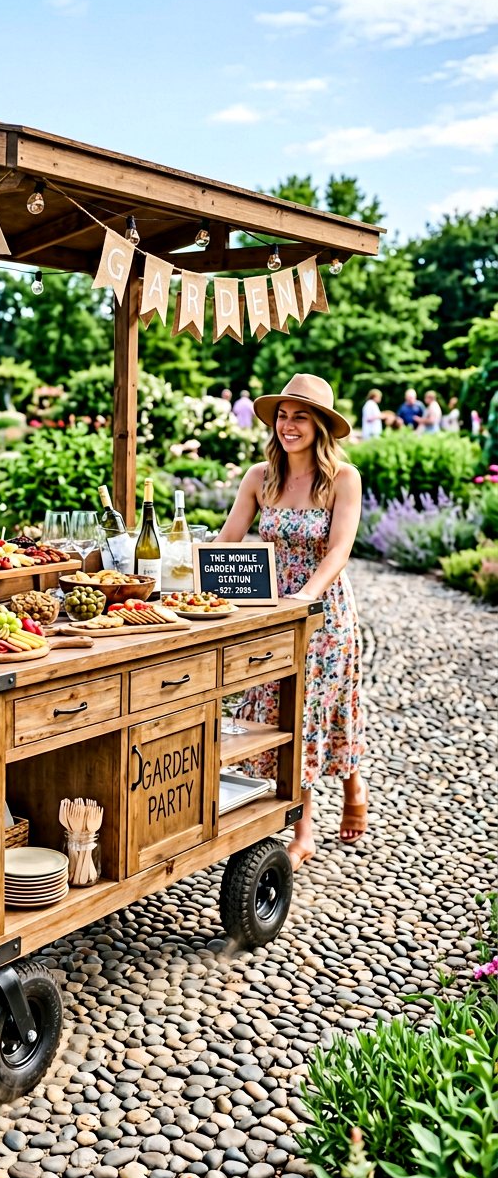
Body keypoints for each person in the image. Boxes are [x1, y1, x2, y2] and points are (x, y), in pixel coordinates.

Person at [216, 373, 365, 870]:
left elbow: (340, 549)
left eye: (300, 415)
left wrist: (305, 596)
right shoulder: (260, 477)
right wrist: (196, 580)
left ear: (321, 425)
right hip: (272, 616)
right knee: (278, 714)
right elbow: (227, 541)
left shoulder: (343, 479)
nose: (288, 424)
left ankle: (310, 827)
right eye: (282, 414)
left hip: (323, 614)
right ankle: (319, 801)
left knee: (313, 712)